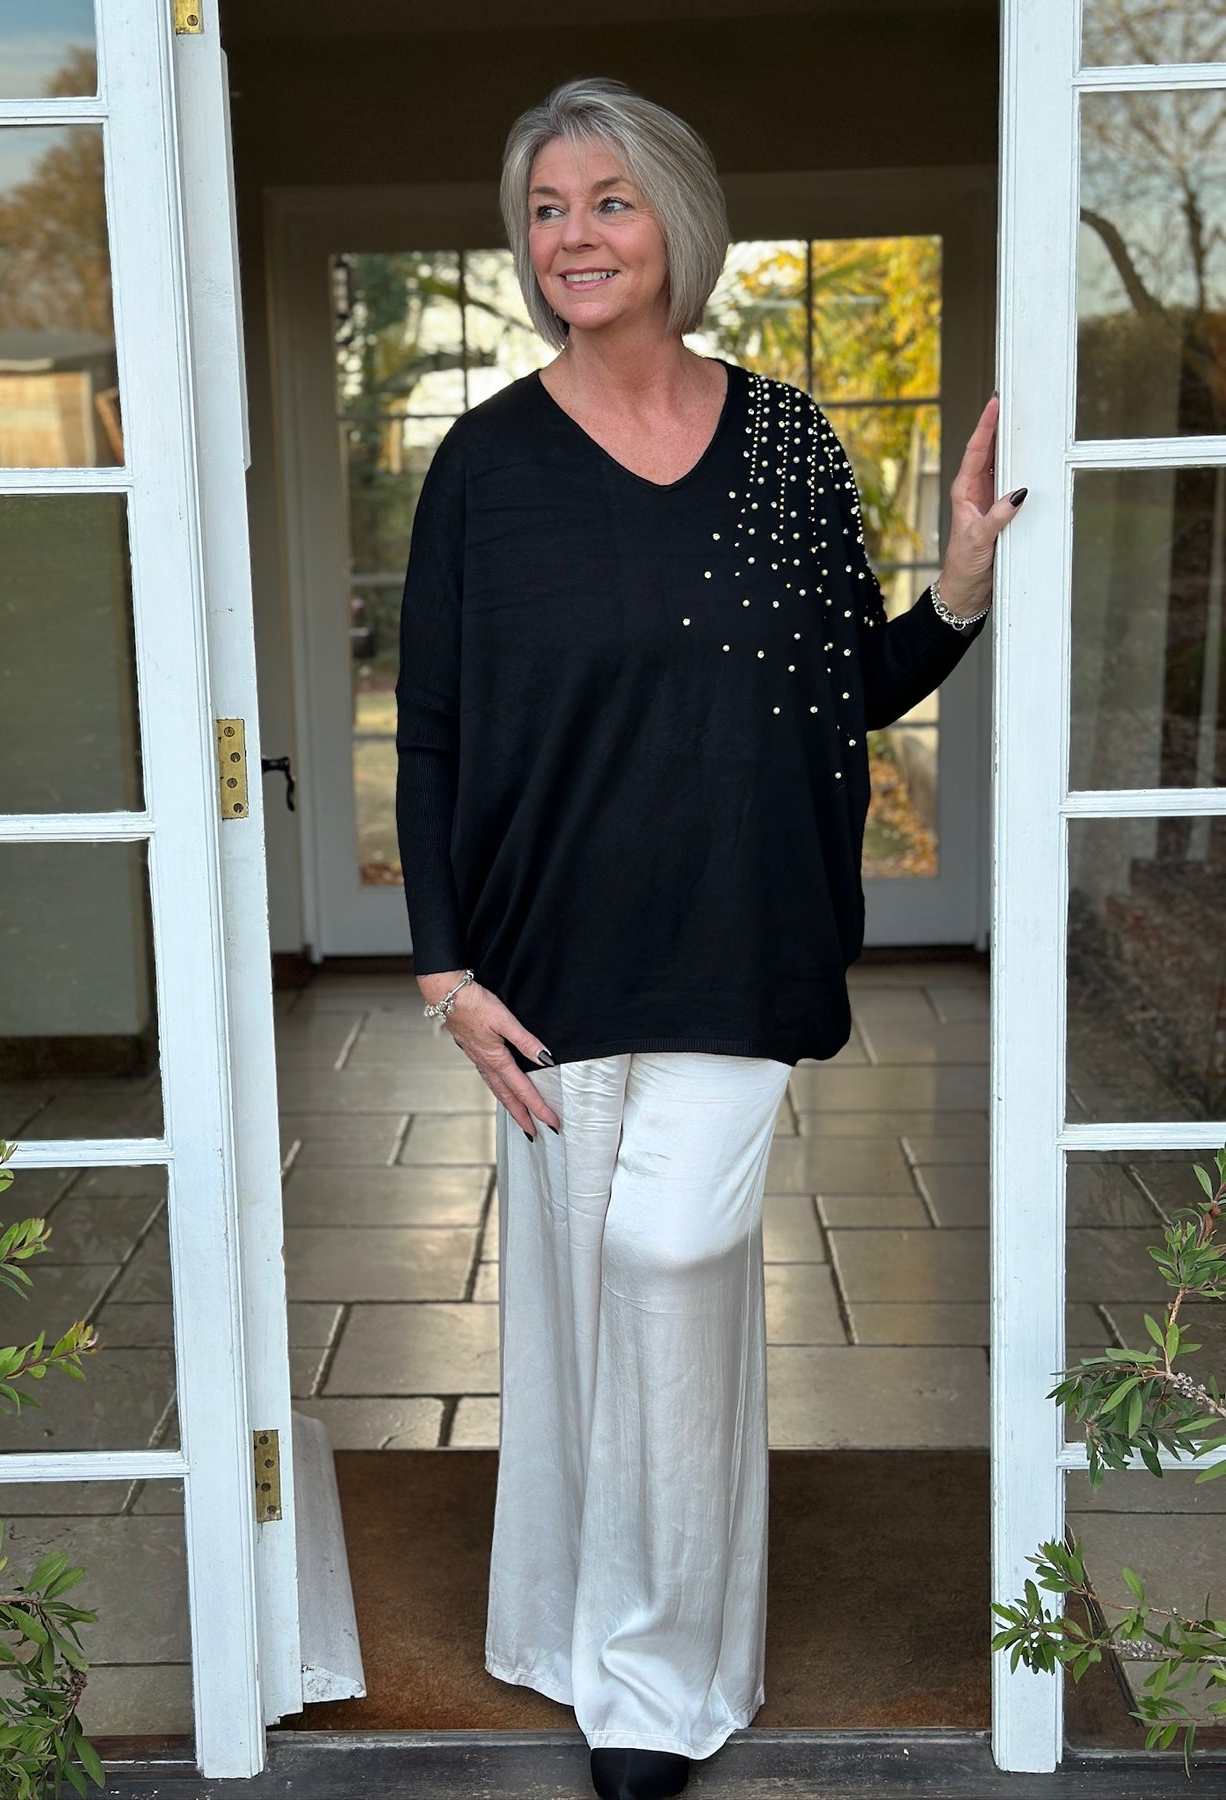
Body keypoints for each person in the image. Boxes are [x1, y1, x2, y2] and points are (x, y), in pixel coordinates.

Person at [394, 77, 1020, 1800]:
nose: (572, 236)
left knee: (667, 1270)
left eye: (606, 200)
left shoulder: (786, 442)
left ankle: (660, 1689)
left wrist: (958, 588)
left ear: (674, 219)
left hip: (741, 944)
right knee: (573, 1315)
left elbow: (845, 688)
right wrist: (444, 974)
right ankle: (563, 1630)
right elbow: (430, 734)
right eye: (544, 209)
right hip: (541, 964)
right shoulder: (484, 465)